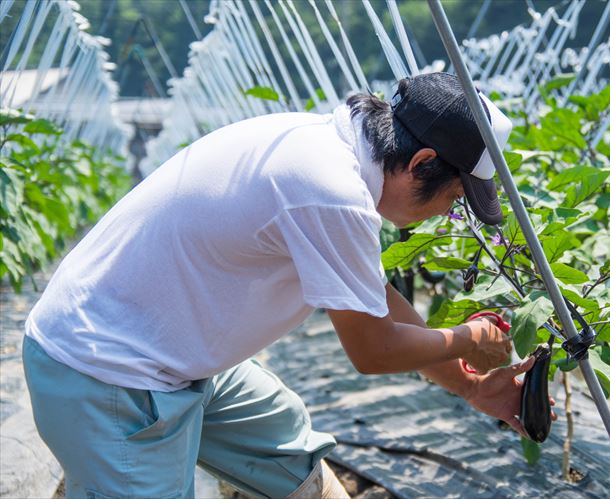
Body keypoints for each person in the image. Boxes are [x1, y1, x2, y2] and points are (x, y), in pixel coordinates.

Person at [23, 72, 552, 499]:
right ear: (421, 164)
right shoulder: (329, 189)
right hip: (106, 370)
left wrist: (470, 385)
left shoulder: (333, 149)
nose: (448, 212)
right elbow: (373, 348)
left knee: (293, 459)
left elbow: (371, 300)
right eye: (454, 197)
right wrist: (467, 340)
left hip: (173, 353)